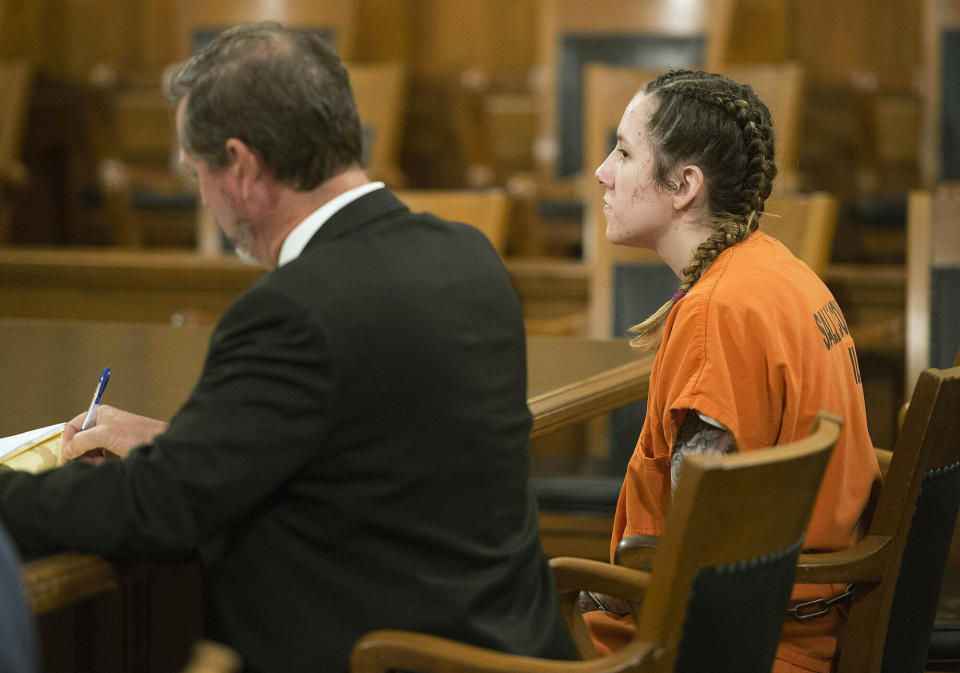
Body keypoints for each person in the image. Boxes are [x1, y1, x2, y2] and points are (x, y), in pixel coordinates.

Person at [0, 22, 575, 673]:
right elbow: (365, 451)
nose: (204, 195)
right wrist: (177, 444)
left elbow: (153, 511)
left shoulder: (294, 310)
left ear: (241, 167)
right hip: (514, 650)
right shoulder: (467, 254)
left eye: (197, 173)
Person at [580, 70, 881, 673]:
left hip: (719, 649)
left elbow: (701, 553)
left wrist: (592, 589)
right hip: (797, 627)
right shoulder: (778, 270)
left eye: (624, 151)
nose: (602, 173)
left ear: (684, 184)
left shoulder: (718, 312)